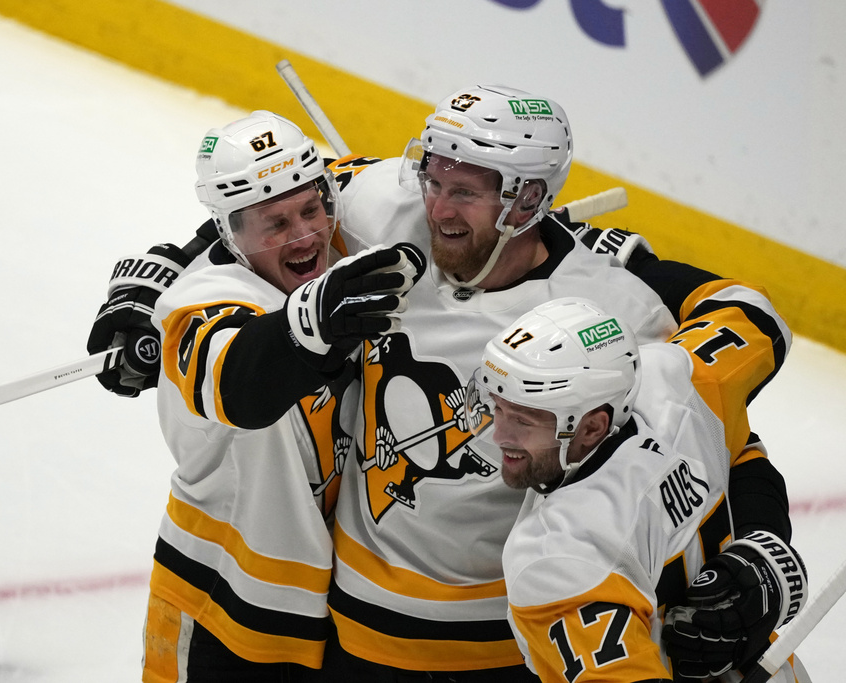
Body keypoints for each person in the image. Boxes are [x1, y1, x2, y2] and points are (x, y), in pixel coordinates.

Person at [88, 85, 798, 680]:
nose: (437, 208)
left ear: (526, 201)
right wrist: (167, 267)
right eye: (432, 179)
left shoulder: (606, 310)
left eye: (463, 191)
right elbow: (274, 196)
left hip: (504, 647)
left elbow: (700, 424)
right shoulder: (381, 213)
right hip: (350, 632)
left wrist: (763, 543)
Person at [87, 110, 425, 682]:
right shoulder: (199, 304)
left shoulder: (342, 233)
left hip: (341, 612)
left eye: (310, 210)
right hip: (222, 606)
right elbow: (241, 379)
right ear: (230, 235)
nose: (303, 236)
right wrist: (311, 322)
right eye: (274, 224)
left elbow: (435, 194)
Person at [464, 297, 808, 682]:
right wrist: (762, 542)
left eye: (524, 420)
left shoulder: (556, 557)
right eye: (499, 407)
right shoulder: (677, 383)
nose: (498, 435)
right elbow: (753, 310)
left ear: (593, 426)